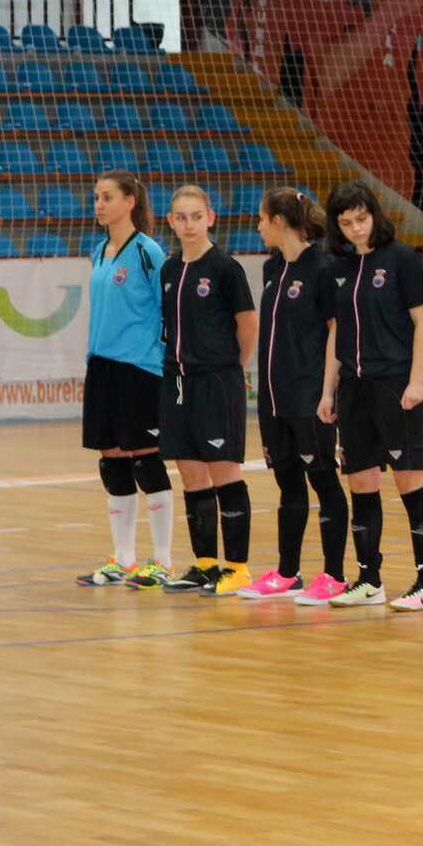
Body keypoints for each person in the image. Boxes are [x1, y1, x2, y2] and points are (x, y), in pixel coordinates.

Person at [318, 181, 423, 609]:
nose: (356, 228)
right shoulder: (338, 268)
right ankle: (369, 578)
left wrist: (415, 381)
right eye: (346, 223)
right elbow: (336, 334)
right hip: (354, 388)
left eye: (362, 218)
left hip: (395, 383)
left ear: (374, 213)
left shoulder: (401, 258)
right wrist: (328, 391)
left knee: (409, 479)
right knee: (361, 482)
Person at [239, 187, 354, 602]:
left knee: (323, 479)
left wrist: (327, 391)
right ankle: (288, 572)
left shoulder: (322, 267)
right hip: (274, 399)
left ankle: (334, 575)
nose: (257, 226)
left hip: (309, 396)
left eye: (261, 218)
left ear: (279, 221)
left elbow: (335, 332)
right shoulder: (272, 268)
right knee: (287, 482)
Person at [154, 186, 258, 596]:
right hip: (178, 381)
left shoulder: (225, 268)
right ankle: (204, 564)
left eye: (196, 216)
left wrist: (233, 367)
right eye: (181, 217)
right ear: (171, 221)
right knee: (191, 473)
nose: (189, 224)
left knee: (224, 471)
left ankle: (238, 568)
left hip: (217, 381)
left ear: (210, 217)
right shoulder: (169, 269)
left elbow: (248, 324)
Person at [76, 170, 175, 590]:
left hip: (140, 369)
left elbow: (168, 312)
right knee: (112, 461)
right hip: (103, 366)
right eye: (97, 197)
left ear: (130, 202)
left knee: (146, 460)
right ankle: (123, 558)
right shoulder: (99, 250)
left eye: (107, 197)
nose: (99, 204)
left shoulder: (148, 252)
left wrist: (165, 360)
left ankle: (163, 561)